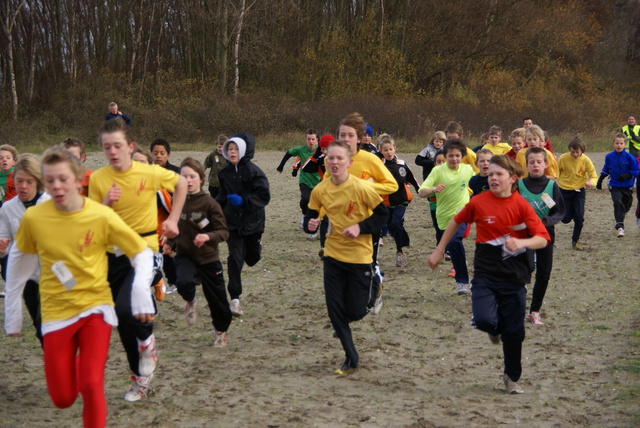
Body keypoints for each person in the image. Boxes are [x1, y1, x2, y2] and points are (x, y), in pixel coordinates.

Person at [15, 147, 154, 427]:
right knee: (63, 398)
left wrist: (141, 293)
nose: (57, 186)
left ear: (79, 180)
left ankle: (92, 366)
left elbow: (141, 251)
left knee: (91, 384)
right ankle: (77, 362)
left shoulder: (100, 215)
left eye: (63, 179)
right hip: (56, 312)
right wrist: (13, 311)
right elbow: (20, 261)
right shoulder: (34, 218)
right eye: (50, 180)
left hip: (96, 307)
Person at [428, 155, 550, 394]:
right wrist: (440, 249)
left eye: (498, 174)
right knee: (485, 319)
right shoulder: (479, 202)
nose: (492, 178)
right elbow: (455, 221)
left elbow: (542, 239)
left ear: (512, 179)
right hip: (485, 273)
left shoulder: (521, 205)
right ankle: (494, 330)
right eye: (490, 174)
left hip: (515, 277)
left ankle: (511, 377)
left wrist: (522, 243)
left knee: (515, 333)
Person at [88, 117, 187, 402]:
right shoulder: (98, 179)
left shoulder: (150, 172)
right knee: (121, 317)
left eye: (118, 145)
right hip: (111, 255)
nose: (113, 151)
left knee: (126, 306)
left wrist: (173, 219)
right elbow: (91, 220)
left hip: (144, 251)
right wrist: (106, 203)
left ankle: (147, 342)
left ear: (130, 146)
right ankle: (140, 376)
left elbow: (181, 184)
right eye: (107, 147)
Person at [304, 140, 388, 375]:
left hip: (360, 257)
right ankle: (351, 359)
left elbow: (382, 216)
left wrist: (360, 227)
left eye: (340, 158)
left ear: (349, 163)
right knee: (334, 311)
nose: (334, 162)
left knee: (355, 311)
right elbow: (310, 218)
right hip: (332, 256)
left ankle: (374, 286)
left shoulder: (362, 188)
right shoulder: (320, 189)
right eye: (330, 158)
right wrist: (309, 225)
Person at [324, 113, 397, 313]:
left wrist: (363, 185)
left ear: (359, 138)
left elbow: (391, 185)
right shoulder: (331, 159)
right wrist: (318, 215)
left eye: (350, 135)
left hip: (367, 219)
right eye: (342, 135)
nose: (346, 139)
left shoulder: (370, 159)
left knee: (368, 262)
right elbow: (326, 188)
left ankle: (375, 289)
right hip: (340, 220)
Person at [164, 158, 232, 347]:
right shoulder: (177, 201)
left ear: (201, 179)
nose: (188, 180)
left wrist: (207, 237)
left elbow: (224, 232)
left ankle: (220, 331)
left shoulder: (210, 204)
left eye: (192, 176)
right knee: (183, 281)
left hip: (209, 259)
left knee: (217, 301)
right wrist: (169, 242)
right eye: (184, 177)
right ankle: (191, 300)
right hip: (185, 255)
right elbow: (175, 225)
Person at [216, 133, 270, 317]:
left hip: (253, 223)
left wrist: (244, 201)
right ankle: (235, 299)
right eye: (229, 149)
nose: (232, 152)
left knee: (252, 259)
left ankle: (257, 246)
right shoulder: (223, 173)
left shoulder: (254, 172)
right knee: (235, 258)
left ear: (243, 150)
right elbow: (221, 197)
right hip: (233, 224)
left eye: (236, 149)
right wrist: (210, 211)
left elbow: (264, 197)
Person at [1, 154, 50, 341]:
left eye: (29, 181)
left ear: (38, 181)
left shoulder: (53, 203)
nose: (23, 186)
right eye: (19, 180)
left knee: (51, 327)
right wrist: (2, 246)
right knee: (41, 329)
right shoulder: (7, 208)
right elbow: (4, 243)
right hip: (28, 277)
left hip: (58, 273)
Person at [419, 138, 474, 295]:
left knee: (455, 241)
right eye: (451, 156)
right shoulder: (437, 171)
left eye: (457, 155)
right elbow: (421, 192)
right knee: (453, 246)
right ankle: (460, 265)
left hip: (462, 213)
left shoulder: (468, 169)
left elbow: (480, 181)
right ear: (445, 156)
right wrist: (434, 189)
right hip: (443, 217)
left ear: (462, 155)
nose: (454, 159)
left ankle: (462, 282)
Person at [518, 147, 565, 326]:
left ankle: (534, 311)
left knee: (544, 273)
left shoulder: (551, 187)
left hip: (545, 235)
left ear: (546, 164)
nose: (535, 165)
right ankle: (517, 306)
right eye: (532, 162)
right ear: (527, 164)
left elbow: (558, 211)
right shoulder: (520, 185)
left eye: (539, 162)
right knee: (525, 270)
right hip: (524, 235)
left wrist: (547, 220)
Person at [132, 147, 173, 300]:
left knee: (144, 276)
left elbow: (173, 212)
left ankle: (156, 278)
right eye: (134, 162)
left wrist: (168, 232)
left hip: (154, 240)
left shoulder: (157, 189)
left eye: (142, 162)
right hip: (130, 241)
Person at [378, 134, 420, 268]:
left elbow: (411, 178)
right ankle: (402, 245)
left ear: (395, 148)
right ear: (381, 151)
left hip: (401, 200)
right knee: (391, 226)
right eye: (385, 150)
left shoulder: (401, 163)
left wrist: (419, 189)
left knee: (395, 224)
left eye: (390, 149)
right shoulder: (379, 166)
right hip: (386, 202)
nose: (389, 152)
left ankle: (400, 252)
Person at [276, 129, 320, 236]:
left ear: (317, 140)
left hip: (318, 182)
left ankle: (314, 226)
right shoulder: (301, 150)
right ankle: (305, 214)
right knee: (306, 199)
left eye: (313, 139)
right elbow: (289, 153)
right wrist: (281, 166)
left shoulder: (320, 151)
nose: (311, 141)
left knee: (317, 204)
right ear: (305, 140)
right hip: (304, 180)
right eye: (309, 139)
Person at [596, 133, 640, 237]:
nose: (619, 145)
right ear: (613, 144)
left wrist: (628, 174)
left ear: (625, 144)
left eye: (621, 143)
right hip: (614, 185)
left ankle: (621, 215)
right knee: (617, 202)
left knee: (625, 206)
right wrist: (601, 179)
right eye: (617, 143)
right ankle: (620, 227)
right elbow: (606, 168)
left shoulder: (630, 157)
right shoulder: (609, 157)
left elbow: (637, 170)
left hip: (627, 186)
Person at [557, 137, 597, 250]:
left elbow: (594, 175)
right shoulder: (563, 158)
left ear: (582, 150)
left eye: (577, 152)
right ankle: (573, 213)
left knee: (579, 219)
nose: (574, 154)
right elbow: (555, 172)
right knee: (565, 219)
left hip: (579, 191)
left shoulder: (586, 160)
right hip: (564, 190)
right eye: (572, 152)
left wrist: (591, 182)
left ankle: (575, 241)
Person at [0, 144, 18, 290]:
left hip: (11, 225)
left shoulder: (18, 177)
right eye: (0, 158)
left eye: (7, 158)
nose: (4, 160)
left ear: (14, 161)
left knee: (8, 267)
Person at [203, 134, 229, 198]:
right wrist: (202, 170)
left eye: (223, 147)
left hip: (225, 184)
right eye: (219, 147)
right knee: (214, 201)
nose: (221, 149)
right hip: (214, 184)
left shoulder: (229, 155)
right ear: (216, 146)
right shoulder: (213, 154)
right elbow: (206, 163)